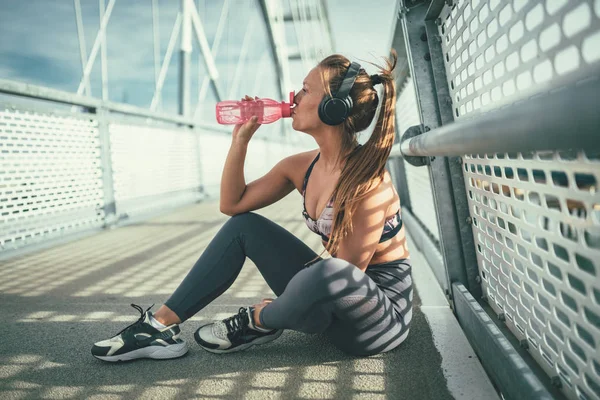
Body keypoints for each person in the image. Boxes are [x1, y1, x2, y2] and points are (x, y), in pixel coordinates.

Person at [91, 49, 413, 362]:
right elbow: (232, 204)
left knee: (329, 270)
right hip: (328, 308)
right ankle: (157, 327)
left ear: (333, 107)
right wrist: (240, 141)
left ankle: (259, 321)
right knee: (245, 227)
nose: (294, 97)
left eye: (305, 89)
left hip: (377, 322)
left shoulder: (369, 183)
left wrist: (277, 309)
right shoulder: (302, 167)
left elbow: (344, 277)